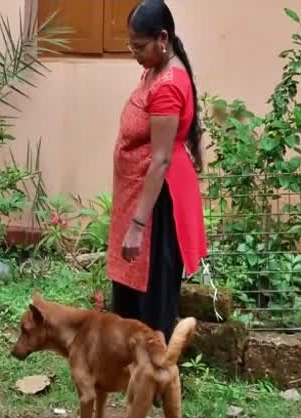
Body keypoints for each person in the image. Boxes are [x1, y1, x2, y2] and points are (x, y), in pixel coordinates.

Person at [107, 0, 207, 344]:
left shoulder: (167, 86)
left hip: (156, 205)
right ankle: (132, 368)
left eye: (139, 46)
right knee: (133, 292)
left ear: (162, 38)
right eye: (130, 45)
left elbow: (161, 159)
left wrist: (137, 225)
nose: (134, 53)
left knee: (152, 294)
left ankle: (153, 372)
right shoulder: (156, 69)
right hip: (140, 195)